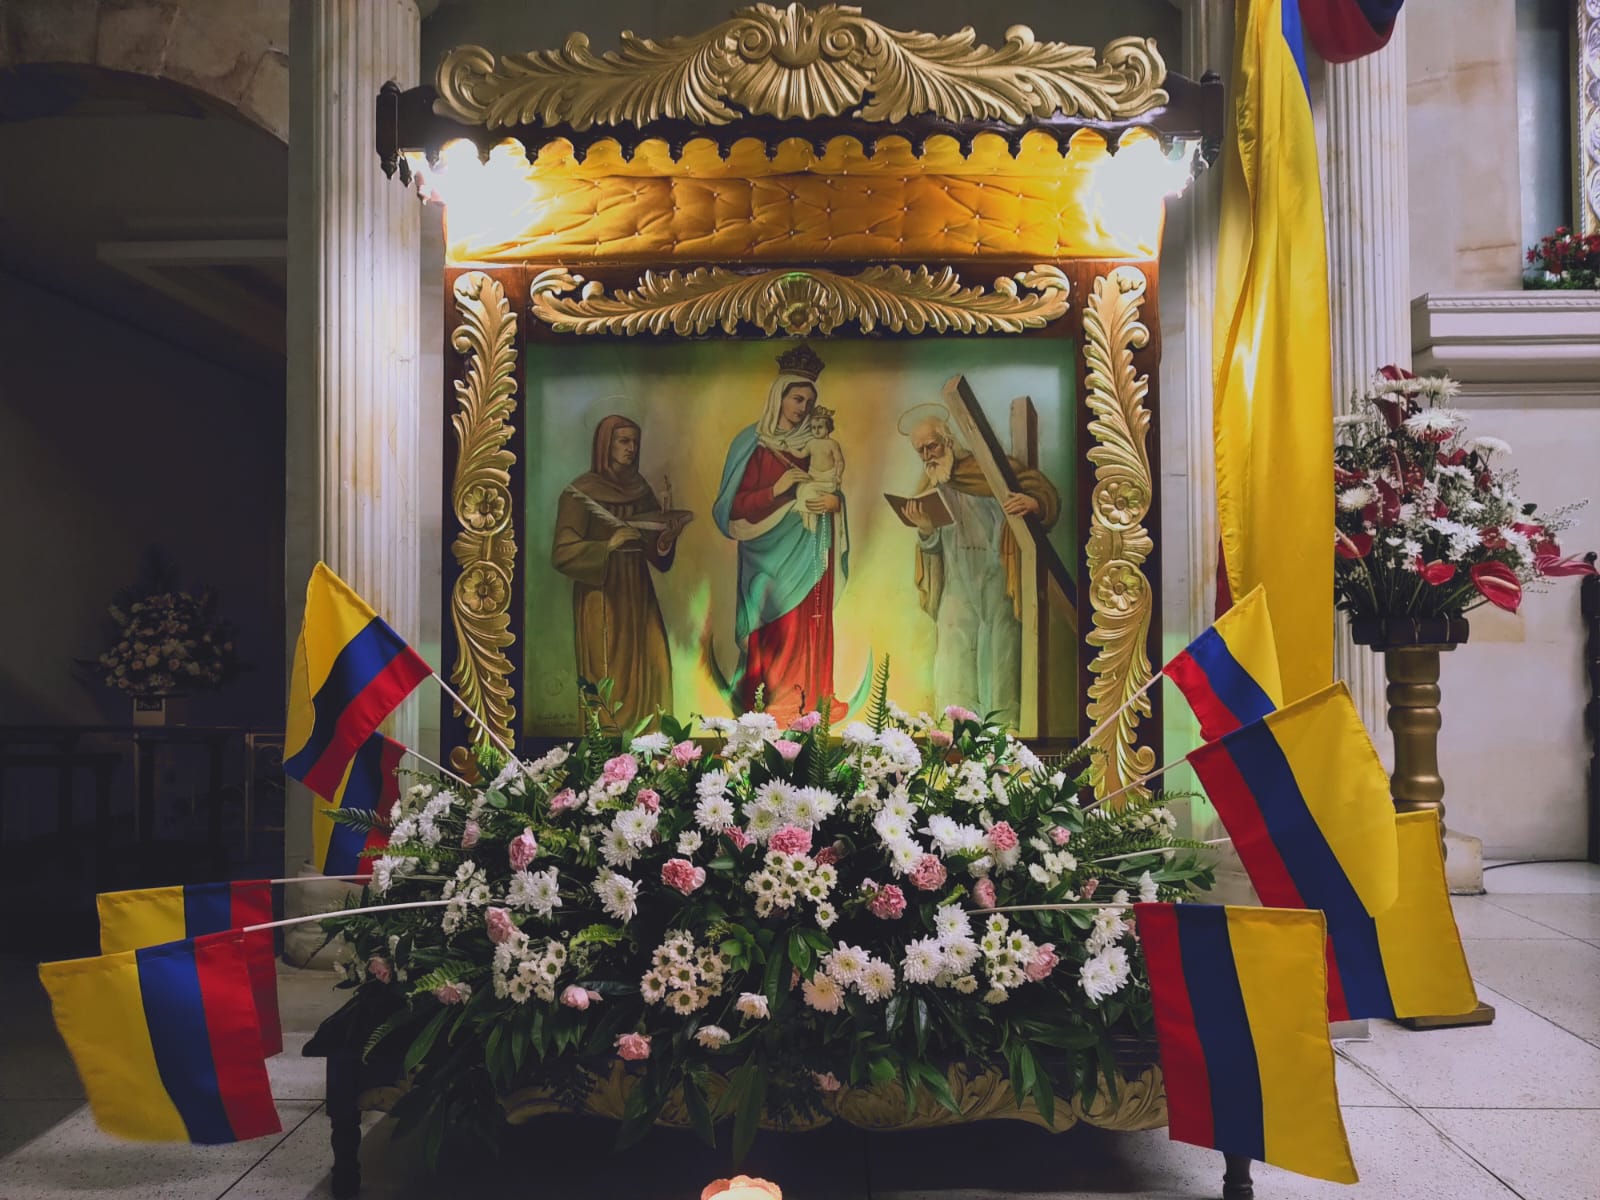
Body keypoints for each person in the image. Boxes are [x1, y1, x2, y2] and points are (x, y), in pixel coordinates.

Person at [712, 344, 849, 722]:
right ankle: (770, 701)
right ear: (779, 396)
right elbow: (732, 508)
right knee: (775, 625)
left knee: (808, 621)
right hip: (766, 553)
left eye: (808, 400)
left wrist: (836, 504)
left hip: (808, 548)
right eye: (796, 397)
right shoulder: (751, 445)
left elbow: (831, 488)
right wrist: (776, 490)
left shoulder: (817, 444)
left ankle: (810, 697)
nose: (802, 407)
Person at [899, 408, 1060, 727]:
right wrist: (926, 529)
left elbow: (1038, 491)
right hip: (957, 579)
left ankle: (1003, 728)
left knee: (1000, 647)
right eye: (920, 451)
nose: (928, 455)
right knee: (953, 650)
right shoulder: (932, 483)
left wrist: (1034, 504)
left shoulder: (988, 469)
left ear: (948, 440)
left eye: (932, 446)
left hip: (997, 571)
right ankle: (953, 729)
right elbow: (931, 546)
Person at [551, 415, 678, 729]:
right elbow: (562, 553)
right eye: (623, 441)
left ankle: (652, 743)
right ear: (605, 445)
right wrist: (607, 546)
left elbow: (655, 552)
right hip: (602, 594)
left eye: (635, 442)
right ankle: (606, 756)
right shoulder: (580, 492)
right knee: (610, 673)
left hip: (638, 591)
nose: (631, 448)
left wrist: (664, 541)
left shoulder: (640, 489)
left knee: (654, 664)